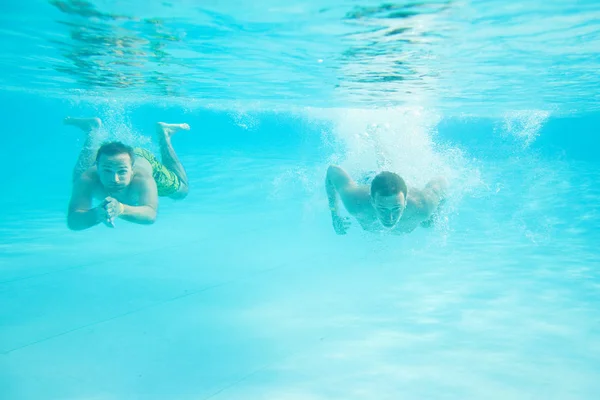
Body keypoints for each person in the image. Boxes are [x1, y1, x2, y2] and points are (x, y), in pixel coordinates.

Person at [65, 117, 190, 230]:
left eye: (122, 172)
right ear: (97, 167)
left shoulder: (142, 177)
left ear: (131, 168)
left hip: (141, 158)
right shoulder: (88, 177)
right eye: (107, 171)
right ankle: (92, 130)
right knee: (79, 177)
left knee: (181, 192)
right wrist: (97, 214)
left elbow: (150, 214)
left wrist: (120, 209)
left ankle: (165, 135)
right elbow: (73, 222)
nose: (115, 179)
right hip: (109, 160)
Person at [325, 165, 447, 235]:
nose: (390, 218)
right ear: (372, 202)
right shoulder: (355, 202)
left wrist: (434, 215)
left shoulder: (422, 206)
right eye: (382, 209)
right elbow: (332, 170)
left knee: (428, 224)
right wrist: (334, 213)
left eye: (396, 209)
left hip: (399, 189)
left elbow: (442, 181)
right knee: (381, 168)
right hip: (370, 179)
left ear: (405, 202)